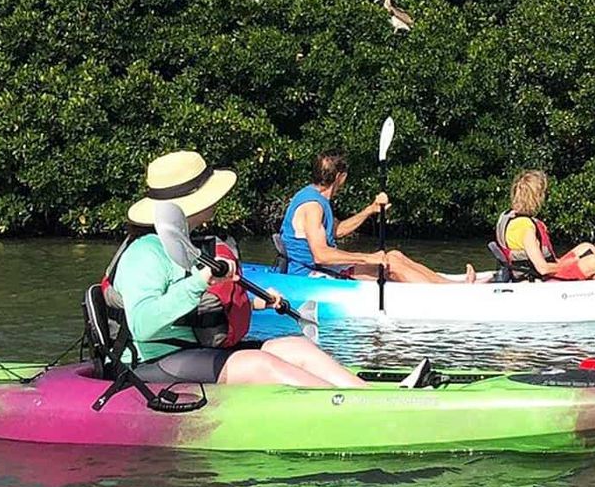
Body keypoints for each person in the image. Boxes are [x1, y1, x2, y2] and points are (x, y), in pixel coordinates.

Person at [110, 149, 427, 387]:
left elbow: (203, 307)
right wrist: (201, 279)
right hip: (153, 359)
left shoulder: (188, 243)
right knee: (260, 362)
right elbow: (144, 324)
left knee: (295, 345)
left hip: (189, 349)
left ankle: (369, 393)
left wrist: (259, 302)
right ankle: (360, 411)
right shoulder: (144, 254)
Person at [281, 151, 476, 283]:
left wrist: (370, 209)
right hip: (311, 276)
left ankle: (451, 284)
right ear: (340, 176)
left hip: (324, 269)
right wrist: (367, 258)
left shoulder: (316, 198)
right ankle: (451, 294)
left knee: (393, 255)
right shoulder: (313, 206)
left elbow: (336, 231)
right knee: (390, 267)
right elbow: (321, 255)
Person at [497, 169, 595, 281]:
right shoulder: (526, 228)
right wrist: (570, 263)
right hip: (537, 279)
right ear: (536, 197)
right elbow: (542, 268)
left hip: (539, 271)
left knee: (587, 247)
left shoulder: (510, 216)